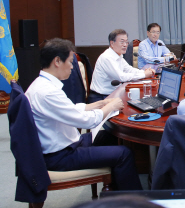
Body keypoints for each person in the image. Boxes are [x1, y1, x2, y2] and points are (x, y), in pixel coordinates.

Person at [25, 38, 142, 191]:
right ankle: (135, 202)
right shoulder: (47, 93)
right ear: (57, 61)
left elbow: (69, 109)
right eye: (70, 62)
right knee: (124, 154)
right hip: (60, 156)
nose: (72, 67)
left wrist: (97, 104)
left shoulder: (41, 85)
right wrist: (111, 106)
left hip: (65, 144)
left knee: (111, 135)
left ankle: (115, 192)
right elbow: (87, 121)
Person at [90, 29, 155, 102]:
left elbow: (129, 69)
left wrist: (144, 72)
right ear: (112, 43)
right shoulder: (107, 57)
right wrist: (144, 74)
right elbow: (121, 77)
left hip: (113, 93)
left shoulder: (118, 55)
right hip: (101, 97)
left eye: (126, 42)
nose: (125, 45)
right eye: (122, 42)